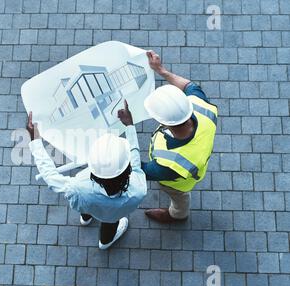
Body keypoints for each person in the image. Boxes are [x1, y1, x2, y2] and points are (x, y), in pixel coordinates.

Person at [27, 101, 147, 249]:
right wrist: (130, 126)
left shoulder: (77, 188)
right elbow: (135, 159)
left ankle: (85, 219)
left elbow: (50, 177)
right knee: (109, 224)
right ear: (126, 168)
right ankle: (105, 242)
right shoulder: (139, 188)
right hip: (111, 215)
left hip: (87, 203)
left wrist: (36, 143)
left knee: (87, 208)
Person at [142, 50, 218, 223]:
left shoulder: (170, 164)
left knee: (180, 198)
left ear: (164, 122)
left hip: (178, 183)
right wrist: (161, 70)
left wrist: (129, 126)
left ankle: (177, 215)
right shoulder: (201, 105)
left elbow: (142, 170)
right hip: (197, 161)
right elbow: (189, 86)